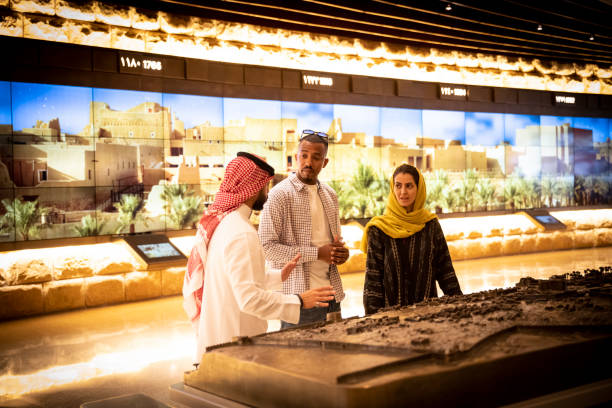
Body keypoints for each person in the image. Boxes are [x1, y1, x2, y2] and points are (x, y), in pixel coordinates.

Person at [182, 152, 335, 359]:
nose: (267, 191)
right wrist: (299, 301)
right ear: (253, 187)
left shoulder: (224, 225)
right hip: (235, 346)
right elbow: (249, 299)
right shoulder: (242, 233)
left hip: (220, 340)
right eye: (264, 185)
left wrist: (278, 276)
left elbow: (237, 280)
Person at [259, 129, 349, 328]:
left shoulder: (330, 195)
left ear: (324, 163)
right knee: (298, 359)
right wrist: (317, 253)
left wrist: (341, 254)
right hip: (299, 300)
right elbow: (267, 248)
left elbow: (333, 244)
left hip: (332, 297)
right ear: (296, 157)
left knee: (336, 358)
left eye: (316, 158)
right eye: (304, 155)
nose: (308, 162)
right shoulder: (279, 195)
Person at [361, 163, 462, 315]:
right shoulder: (379, 229)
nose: (403, 192)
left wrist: (460, 305)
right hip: (391, 320)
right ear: (392, 188)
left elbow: (445, 271)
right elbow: (373, 281)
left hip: (429, 316)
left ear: (418, 188)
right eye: (398, 186)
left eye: (409, 186)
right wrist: (372, 318)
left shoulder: (430, 225)